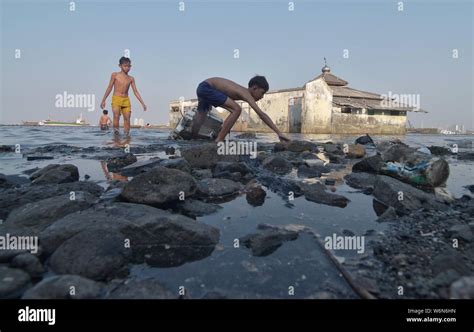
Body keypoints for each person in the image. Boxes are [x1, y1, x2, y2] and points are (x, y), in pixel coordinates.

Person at [191, 76, 290, 142]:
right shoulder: (246, 93)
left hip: (202, 87)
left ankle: (192, 138)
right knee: (237, 109)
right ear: (254, 88)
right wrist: (278, 133)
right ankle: (219, 140)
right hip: (207, 87)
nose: (262, 97)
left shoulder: (242, 91)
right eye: (262, 93)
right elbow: (261, 114)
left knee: (202, 114)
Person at [100, 56, 147, 136]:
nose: (127, 68)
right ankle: (116, 134)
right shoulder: (114, 75)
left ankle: (126, 135)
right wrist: (103, 100)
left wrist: (142, 103)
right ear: (120, 66)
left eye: (129, 66)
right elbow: (109, 87)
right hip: (116, 99)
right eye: (125, 66)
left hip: (126, 100)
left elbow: (135, 91)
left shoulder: (131, 78)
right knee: (116, 116)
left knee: (127, 118)